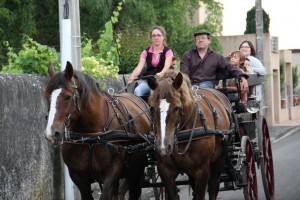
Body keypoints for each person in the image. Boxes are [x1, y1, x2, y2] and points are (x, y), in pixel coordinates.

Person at [180, 30, 248, 92]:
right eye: (197, 38)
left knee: (202, 89)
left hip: (207, 85)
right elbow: (184, 74)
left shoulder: (216, 57)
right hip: (191, 84)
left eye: (203, 38)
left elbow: (229, 67)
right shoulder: (188, 55)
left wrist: (242, 76)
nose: (200, 40)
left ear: (209, 41)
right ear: (195, 41)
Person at [128, 26, 174, 96]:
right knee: (137, 91)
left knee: (153, 92)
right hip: (149, 80)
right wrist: (132, 76)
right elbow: (139, 67)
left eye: (158, 35)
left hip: (163, 81)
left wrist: (161, 73)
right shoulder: (145, 52)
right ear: (151, 38)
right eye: (154, 36)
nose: (156, 38)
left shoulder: (168, 51)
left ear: (163, 37)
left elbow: (166, 67)